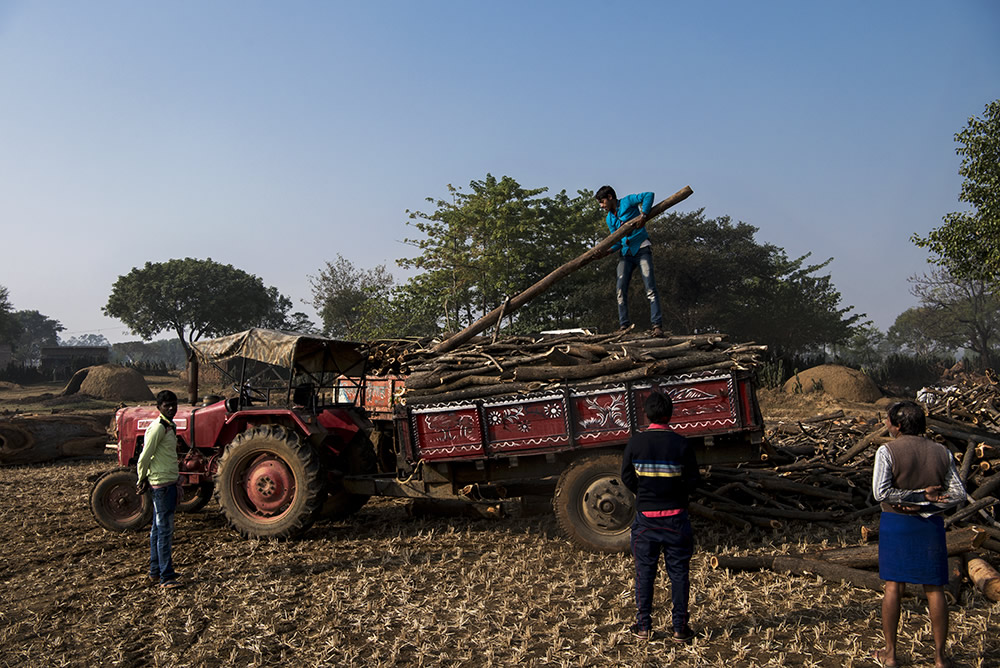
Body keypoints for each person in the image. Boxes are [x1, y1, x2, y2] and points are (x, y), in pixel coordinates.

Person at [871, 400, 964, 668]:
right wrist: (928, 502)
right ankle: (939, 658)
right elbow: (957, 493)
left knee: (893, 587)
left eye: (888, 421)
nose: (886, 425)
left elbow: (881, 492)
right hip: (930, 524)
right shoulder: (942, 452)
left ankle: (889, 655)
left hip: (897, 522)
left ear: (897, 426)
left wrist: (913, 498)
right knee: (935, 589)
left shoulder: (886, 451)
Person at [621, 391, 699, 642]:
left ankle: (643, 626)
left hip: (646, 520)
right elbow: (693, 480)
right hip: (676, 519)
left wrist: (643, 494)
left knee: (645, 573)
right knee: (679, 574)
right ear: (670, 414)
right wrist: (677, 494)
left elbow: (626, 476)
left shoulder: (635, 443)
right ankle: (680, 628)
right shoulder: (682, 444)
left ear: (647, 414)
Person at [595, 185, 664, 337]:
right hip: (625, 254)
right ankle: (624, 325)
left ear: (610, 197)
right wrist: (607, 252)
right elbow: (617, 241)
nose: (602, 206)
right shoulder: (610, 219)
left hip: (641, 248)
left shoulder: (627, 202)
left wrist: (643, 215)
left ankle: (657, 325)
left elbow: (648, 194)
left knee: (650, 288)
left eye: (602, 202)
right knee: (620, 290)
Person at [136, 389, 184, 589]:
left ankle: (156, 571)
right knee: (164, 531)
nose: (172, 408)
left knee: (157, 529)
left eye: (174, 404)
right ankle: (166, 576)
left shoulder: (169, 426)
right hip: (161, 485)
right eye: (167, 405)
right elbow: (145, 456)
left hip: (168, 482)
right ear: (159, 408)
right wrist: (141, 478)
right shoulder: (158, 428)